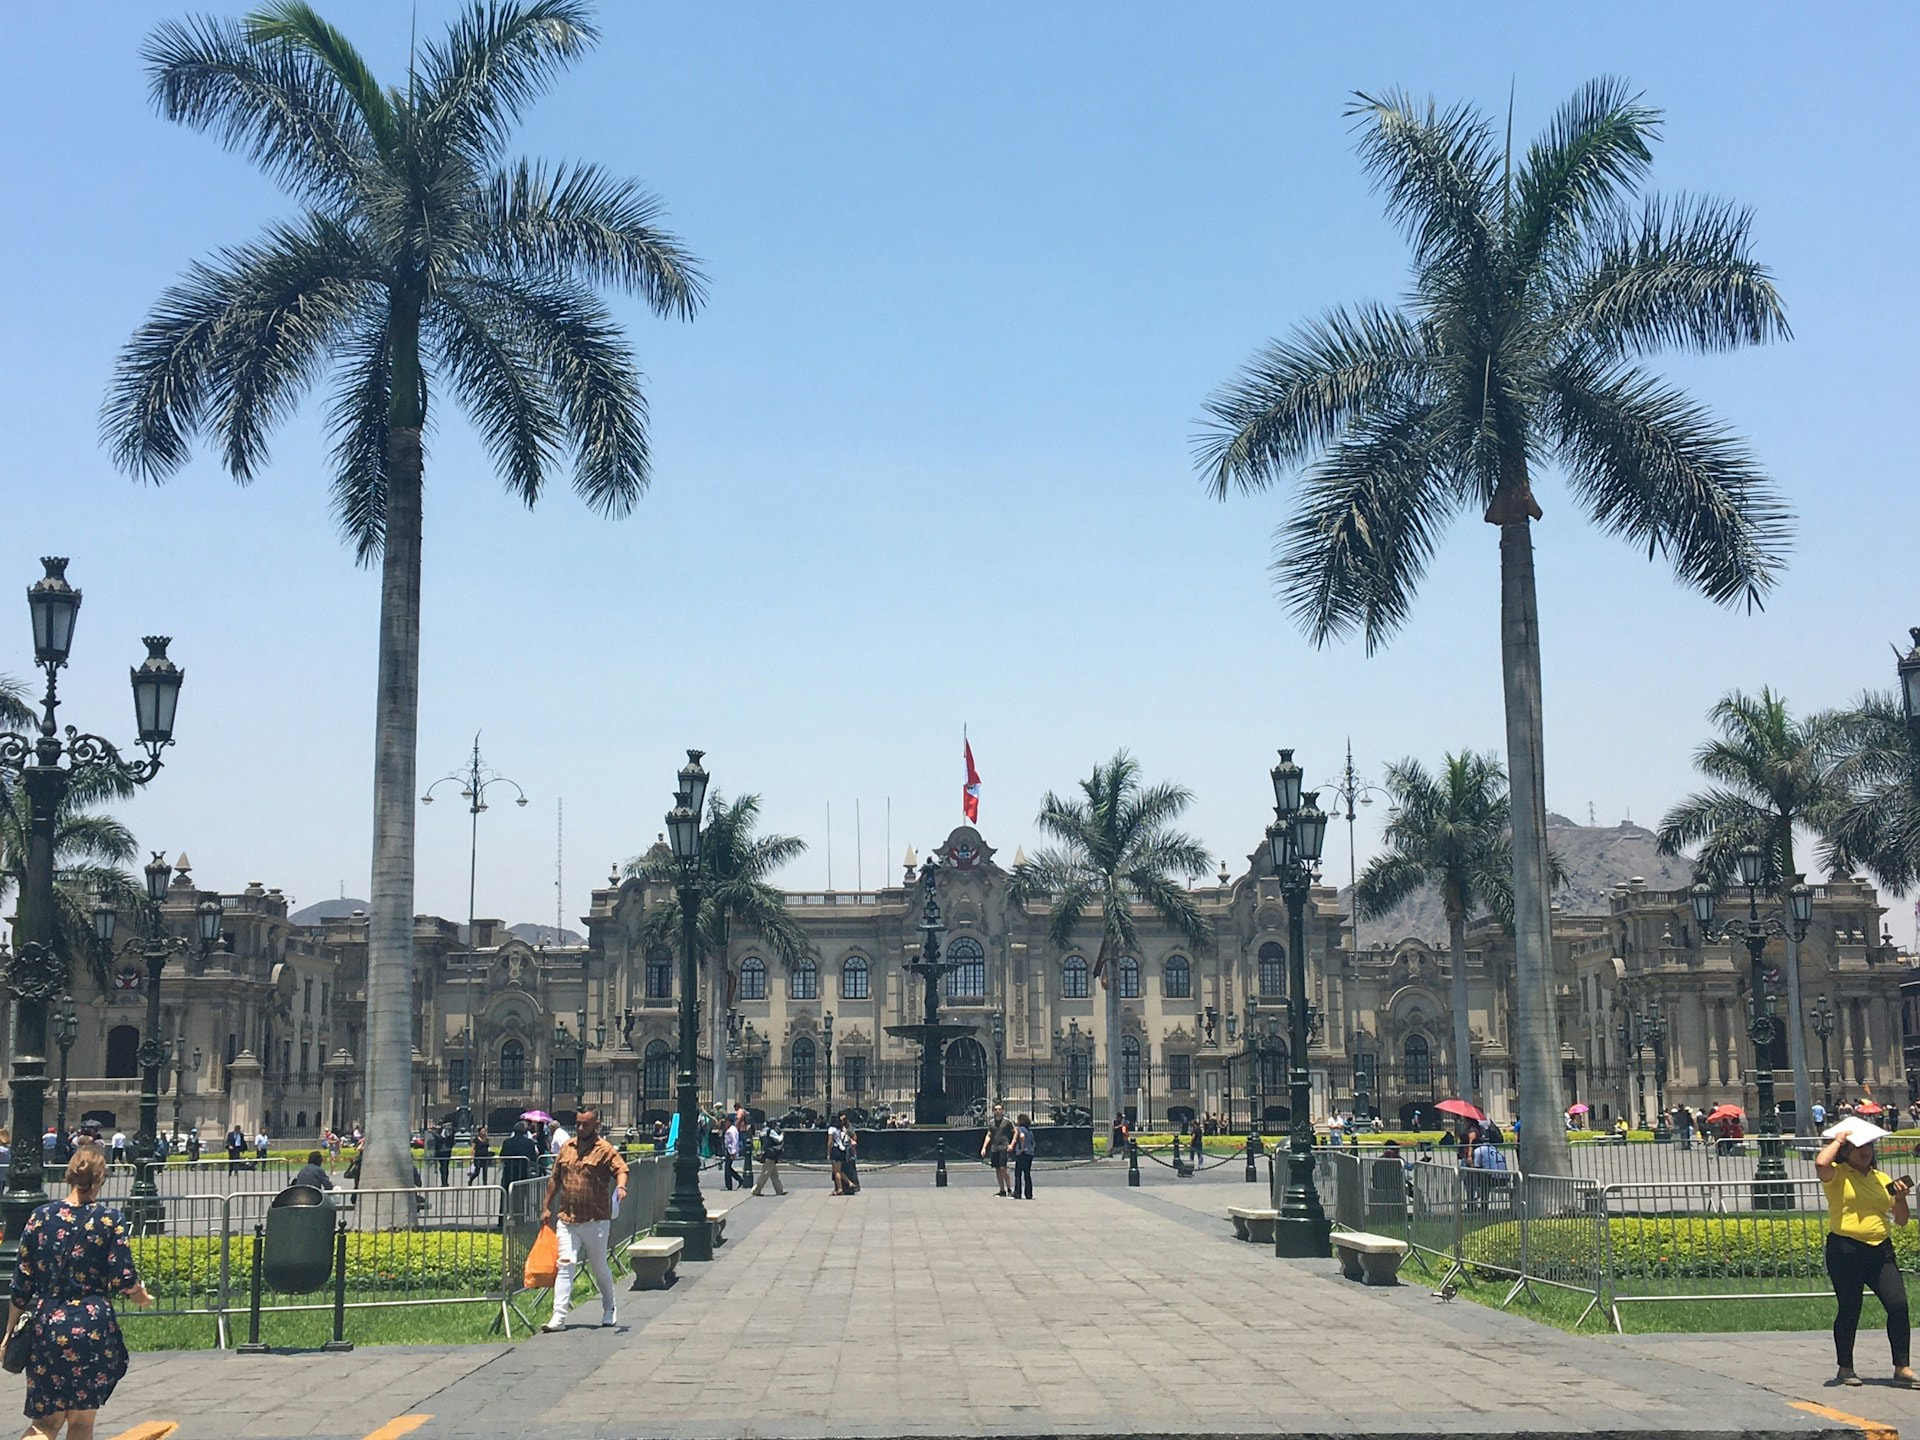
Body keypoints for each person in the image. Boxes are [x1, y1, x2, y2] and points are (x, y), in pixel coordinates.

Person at [7, 1148, 154, 1436]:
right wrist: (141, 1296)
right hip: (92, 1328)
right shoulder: (109, 1220)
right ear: (100, 1179)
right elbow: (124, 1278)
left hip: (48, 1327)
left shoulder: (39, 1218)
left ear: (69, 1176)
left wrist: (9, 1332)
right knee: (81, 1423)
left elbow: (21, 1284)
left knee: (44, 1424)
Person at [1817, 1117, 1918, 1387]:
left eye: (1870, 1147)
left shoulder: (1881, 1178)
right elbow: (1821, 1164)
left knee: (1898, 1305)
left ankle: (1902, 1367)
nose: (1866, 1151)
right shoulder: (1838, 1176)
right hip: (1845, 1249)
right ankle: (1845, 1367)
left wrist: (1900, 1198)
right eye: (1859, 1147)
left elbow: (1901, 1219)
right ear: (1847, 1151)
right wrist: (1838, 1139)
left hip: (1879, 1250)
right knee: (1850, 1308)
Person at [540, 1109, 627, 1332]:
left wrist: (621, 1186)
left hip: (595, 1219)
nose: (580, 1129)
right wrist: (545, 1206)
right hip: (567, 1218)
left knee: (599, 1266)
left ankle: (609, 1308)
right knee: (565, 1264)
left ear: (596, 1125)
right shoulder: (567, 1148)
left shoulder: (605, 1150)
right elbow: (555, 1179)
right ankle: (558, 1317)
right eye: (578, 1124)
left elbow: (621, 1169)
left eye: (585, 1125)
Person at [982, 1103, 1015, 1197]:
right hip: (994, 1147)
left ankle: (1009, 1188)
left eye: (1000, 1109)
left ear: (1002, 1110)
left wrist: (1011, 1144)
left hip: (1004, 1147)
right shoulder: (991, 1122)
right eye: (996, 1109)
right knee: (997, 1169)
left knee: (1003, 1168)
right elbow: (989, 1135)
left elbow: (1015, 1132)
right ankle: (1002, 1190)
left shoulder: (1007, 1122)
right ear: (993, 1111)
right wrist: (984, 1147)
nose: (998, 1111)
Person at [752, 1118, 788, 1197]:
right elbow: (778, 1139)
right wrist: (782, 1134)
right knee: (765, 1173)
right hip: (771, 1154)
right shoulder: (770, 1131)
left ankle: (779, 1190)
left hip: (766, 1153)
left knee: (774, 1174)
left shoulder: (763, 1131)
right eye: (775, 1124)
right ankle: (756, 1190)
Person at [1011, 1113, 1036, 1199]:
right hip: (1029, 1153)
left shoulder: (1019, 1129)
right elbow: (1033, 1143)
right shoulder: (1029, 1131)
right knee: (1027, 1174)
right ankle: (1029, 1193)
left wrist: (1021, 1149)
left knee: (1018, 1174)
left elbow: (1021, 1137)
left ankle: (1018, 1192)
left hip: (1022, 1153)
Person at [838, 1112, 861, 1194]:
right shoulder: (838, 1127)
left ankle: (852, 1187)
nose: (843, 1121)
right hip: (841, 1149)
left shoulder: (849, 1127)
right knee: (842, 1169)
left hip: (848, 1150)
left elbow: (854, 1137)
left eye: (844, 1119)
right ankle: (844, 1187)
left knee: (850, 1169)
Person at [827, 1114, 849, 1195]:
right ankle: (849, 1183)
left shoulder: (831, 1129)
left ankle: (840, 1188)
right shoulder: (841, 1129)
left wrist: (828, 1153)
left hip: (835, 1149)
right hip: (842, 1150)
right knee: (839, 1170)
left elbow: (829, 1142)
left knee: (836, 1172)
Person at [722, 1114, 742, 1192]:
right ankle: (739, 1179)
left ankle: (729, 1185)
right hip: (729, 1150)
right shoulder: (731, 1129)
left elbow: (734, 1141)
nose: (725, 1124)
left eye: (726, 1122)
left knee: (727, 1169)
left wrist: (733, 1152)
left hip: (730, 1151)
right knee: (729, 1168)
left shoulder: (731, 1130)